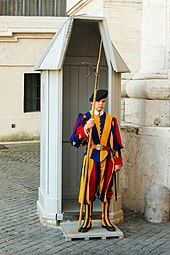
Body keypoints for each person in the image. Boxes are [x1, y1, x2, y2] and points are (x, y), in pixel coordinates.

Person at [70, 89, 123, 232]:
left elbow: (117, 143)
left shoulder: (112, 120)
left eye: (103, 101)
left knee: (106, 189)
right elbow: (75, 141)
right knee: (89, 189)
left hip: (107, 158)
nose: (100, 104)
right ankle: (87, 220)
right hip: (91, 158)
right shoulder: (85, 118)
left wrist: (118, 161)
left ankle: (106, 220)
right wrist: (86, 129)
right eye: (98, 101)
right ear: (92, 102)